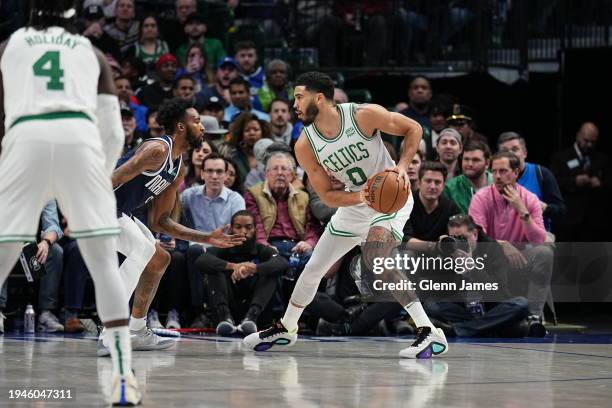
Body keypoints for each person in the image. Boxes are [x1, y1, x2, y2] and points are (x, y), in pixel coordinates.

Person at [244, 71, 448, 359]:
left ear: (318, 98)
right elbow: (327, 195)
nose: (295, 105)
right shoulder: (304, 144)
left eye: (299, 98)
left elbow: (413, 128)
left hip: (391, 200)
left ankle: (428, 331)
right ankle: (286, 328)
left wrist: (401, 167)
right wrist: (360, 196)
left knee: (376, 258)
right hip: (355, 204)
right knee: (314, 268)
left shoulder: (363, 116)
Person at [0, 1, 140, 404]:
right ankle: (122, 377)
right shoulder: (90, 52)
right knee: (103, 262)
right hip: (78, 138)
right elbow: (113, 131)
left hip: (25, 138)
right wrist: (97, 179)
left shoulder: (11, 44)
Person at [97, 98, 245, 357]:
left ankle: (138, 329)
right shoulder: (157, 150)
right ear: (180, 127)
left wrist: (208, 238)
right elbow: (115, 176)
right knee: (142, 251)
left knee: (159, 259)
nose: (202, 126)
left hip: (119, 212)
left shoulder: (177, 168)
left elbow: (160, 221)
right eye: (196, 120)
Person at [469, 152, 552, 325]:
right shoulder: (481, 198)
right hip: (489, 259)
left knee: (544, 252)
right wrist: (503, 245)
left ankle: (534, 317)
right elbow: (477, 239)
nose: (497, 176)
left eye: (503, 171)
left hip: (518, 260)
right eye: (494, 171)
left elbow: (539, 239)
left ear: (516, 173)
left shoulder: (530, 199)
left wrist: (523, 212)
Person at [198, 210, 288, 336]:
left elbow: (282, 263)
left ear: (255, 229)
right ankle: (225, 317)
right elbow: (202, 260)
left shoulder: (262, 250)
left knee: (271, 271)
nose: (243, 231)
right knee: (214, 269)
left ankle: (251, 317)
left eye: (248, 227)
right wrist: (233, 267)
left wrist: (253, 268)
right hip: (228, 304)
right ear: (231, 229)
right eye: (238, 227)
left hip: (257, 311)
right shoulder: (223, 248)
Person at [549, 122, 609, 241]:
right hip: (569, 217)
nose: (589, 145)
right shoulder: (561, 157)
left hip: (594, 219)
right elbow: (553, 183)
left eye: (593, 142)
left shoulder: (602, 159)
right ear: (578, 136)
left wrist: (600, 184)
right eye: (586, 140)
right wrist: (574, 182)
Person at [498, 132, 566, 232]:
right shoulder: (493, 177)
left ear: (525, 153)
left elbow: (561, 212)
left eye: (515, 149)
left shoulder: (542, 174)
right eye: (504, 151)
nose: (509, 154)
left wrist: (545, 208)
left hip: (537, 240)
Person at [443, 140, 493, 214]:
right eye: (466, 159)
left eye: (475, 160)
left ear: (487, 163)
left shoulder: (498, 184)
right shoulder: (449, 188)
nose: (470, 164)